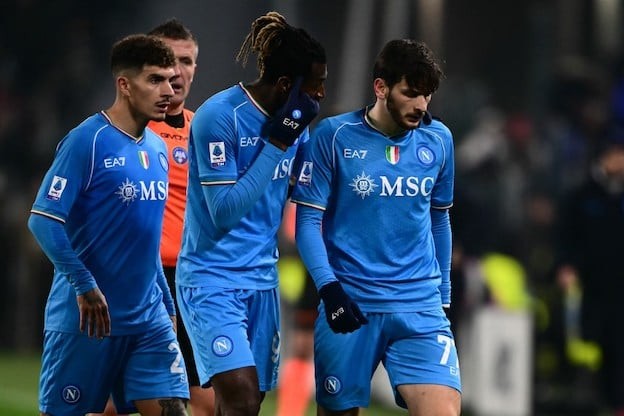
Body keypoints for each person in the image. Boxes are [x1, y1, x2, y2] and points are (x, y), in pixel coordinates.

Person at [291, 39, 462, 415]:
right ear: (381, 87)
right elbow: (307, 222)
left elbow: (439, 218)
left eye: (427, 95)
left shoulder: (439, 140)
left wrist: (444, 295)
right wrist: (330, 291)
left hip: (420, 306)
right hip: (351, 304)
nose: (421, 105)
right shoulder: (333, 136)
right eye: (411, 93)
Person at [27, 34, 189, 416]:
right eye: (155, 80)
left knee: (174, 410)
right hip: (89, 321)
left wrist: (167, 304)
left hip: (148, 320)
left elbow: (145, 240)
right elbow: (43, 220)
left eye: (170, 80)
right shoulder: (87, 141)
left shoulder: (157, 149)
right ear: (125, 85)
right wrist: (84, 285)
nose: (169, 91)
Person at [175, 11, 327, 416]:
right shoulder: (219, 117)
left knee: (246, 406)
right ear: (286, 85)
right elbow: (224, 212)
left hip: (262, 282)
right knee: (240, 398)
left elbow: (299, 193)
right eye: (315, 84)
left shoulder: (298, 127)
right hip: (211, 279)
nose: (320, 94)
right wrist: (277, 144)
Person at [97, 19, 214, 416]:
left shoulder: (206, 130)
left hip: (191, 282)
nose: (176, 73)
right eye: (166, 62)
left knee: (205, 400)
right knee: (113, 400)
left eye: (186, 61)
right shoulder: (117, 132)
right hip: (133, 278)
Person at [556, 138, 624, 415]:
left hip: (619, 287)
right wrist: (565, 266)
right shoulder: (582, 196)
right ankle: (589, 401)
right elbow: (566, 237)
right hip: (589, 288)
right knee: (589, 347)